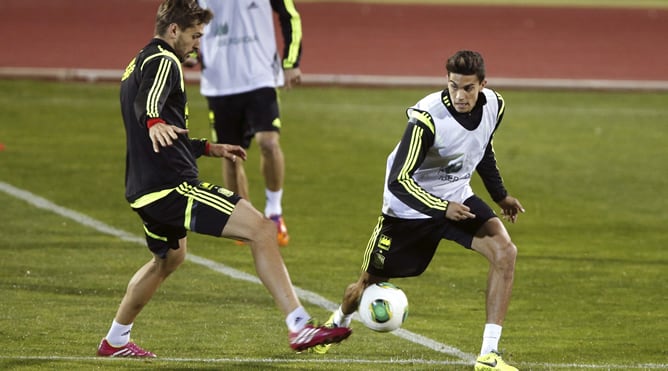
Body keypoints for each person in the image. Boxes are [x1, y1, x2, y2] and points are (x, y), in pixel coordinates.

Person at [96, 0, 350, 357]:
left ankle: (115, 341)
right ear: (173, 31)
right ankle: (299, 326)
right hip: (172, 187)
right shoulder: (164, 60)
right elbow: (148, 106)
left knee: (169, 259)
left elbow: (161, 125)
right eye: (195, 36)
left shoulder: (137, 62)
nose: (198, 45)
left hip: (142, 190)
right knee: (262, 229)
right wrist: (152, 120)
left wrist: (206, 148)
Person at [313, 50, 523, 371]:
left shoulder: (495, 105)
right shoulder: (427, 118)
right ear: (446, 81)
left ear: (483, 85)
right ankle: (335, 322)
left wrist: (501, 195)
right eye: (453, 86)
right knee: (367, 283)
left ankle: (489, 355)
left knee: (505, 252)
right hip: (407, 211)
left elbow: (482, 149)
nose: (459, 95)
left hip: (456, 199)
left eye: (468, 88)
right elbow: (399, 179)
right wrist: (441, 208)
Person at [191, 0, 304, 247]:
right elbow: (184, 17)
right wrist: (189, 52)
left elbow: (290, 15)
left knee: (269, 142)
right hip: (219, 82)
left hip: (260, 76)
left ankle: (274, 213)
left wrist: (291, 62)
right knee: (230, 155)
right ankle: (244, 222)